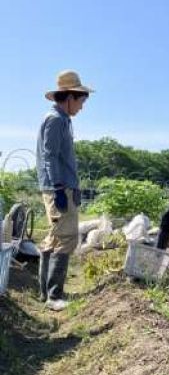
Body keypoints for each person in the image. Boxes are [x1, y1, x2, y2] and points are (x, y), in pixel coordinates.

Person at [36, 70, 94, 311]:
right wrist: (59, 188)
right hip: (57, 188)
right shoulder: (56, 120)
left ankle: (46, 292)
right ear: (69, 96)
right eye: (81, 101)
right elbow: (49, 156)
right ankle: (54, 295)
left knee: (54, 237)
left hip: (62, 186)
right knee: (67, 238)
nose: (82, 107)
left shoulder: (63, 120)